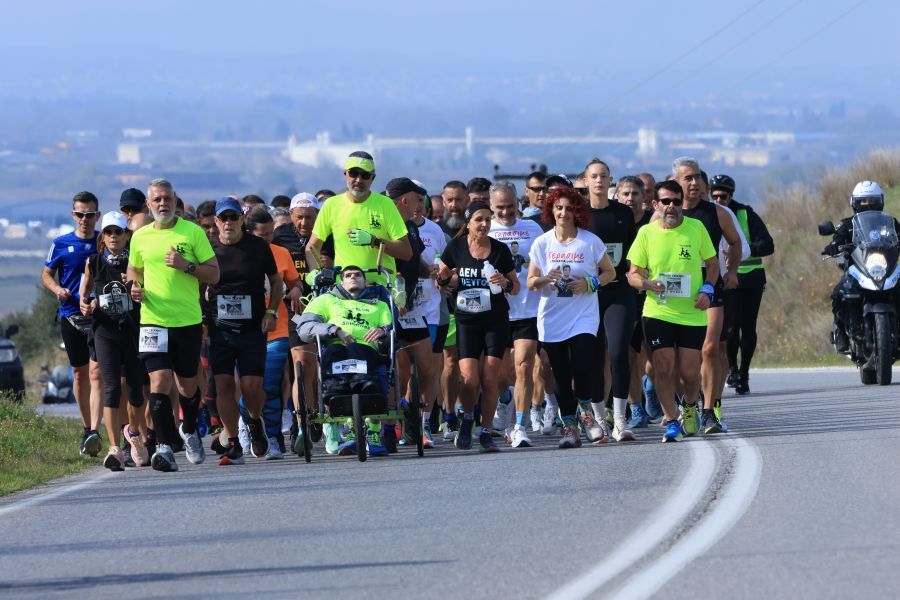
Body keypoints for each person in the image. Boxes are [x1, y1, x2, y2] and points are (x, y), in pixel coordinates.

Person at [127, 178, 220, 472]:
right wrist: (134, 286)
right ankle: (164, 447)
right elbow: (133, 269)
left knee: (187, 386)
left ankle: (189, 427)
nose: (162, 204)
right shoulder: (140, 237)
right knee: (159, 382)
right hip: (152, 321)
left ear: (175, 200)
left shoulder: (192, 232)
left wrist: (187, 266)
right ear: (149, 204)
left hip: (187, 322)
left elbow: (214, 274)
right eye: (157, 200)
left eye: (167, 198)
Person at [627, 180, 721, 442]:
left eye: (676, 202)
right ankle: (670, 419)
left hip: (692, 311)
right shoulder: (646, 233)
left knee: (690, 373)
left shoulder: (696, 228)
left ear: (682, 204)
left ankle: (690, 405)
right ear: (655, 204)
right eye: (665, 201)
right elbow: (632, 275)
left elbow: (713, 264)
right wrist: (646, 284)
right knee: (663, 366)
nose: (671, 207)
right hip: (658, 311)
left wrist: (708, 290)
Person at [528, 186, 615, 448]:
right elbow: (532, 282)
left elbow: (610, 273)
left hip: (584, 316)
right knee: (561, 375)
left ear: (576, 211)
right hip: (552, 317)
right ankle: (569, 427)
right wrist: (546, 278)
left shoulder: (590, 241)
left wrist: (590, 283)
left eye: (568, 208)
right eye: (558, 208)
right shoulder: (542, 243)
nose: (563, 213)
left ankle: (586, 415)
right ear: (551, 211)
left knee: (582, 365)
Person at [437, 202, 519, 452]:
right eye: (479, 220)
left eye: (488, 219)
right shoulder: (456, 247)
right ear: (468, 222)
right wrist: (445, 280)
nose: (484, 224)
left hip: (495, 319)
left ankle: (485, 430)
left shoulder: (500, 250)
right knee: (470, 379)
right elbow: (442, 280)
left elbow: (516, 288)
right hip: (466, 320)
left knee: (490, 378)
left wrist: (504, 281)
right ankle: (467, 419)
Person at [206, 198, 283, 466]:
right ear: (216, 221)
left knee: (252, 387)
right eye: (223, 218)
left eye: (233, 217)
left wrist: (271, 312)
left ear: (241, 220)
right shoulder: (207, 248)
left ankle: (253, 419)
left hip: (252, 327)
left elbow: (275, 281)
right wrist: (202, 319)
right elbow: (196, 283)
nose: (228, 222)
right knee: (224, 384)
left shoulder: (258, 247)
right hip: (220, 327)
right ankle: (234, 443)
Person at [672, 157, 742, 435]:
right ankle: (686, 405)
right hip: (677, 290)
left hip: (710, 283)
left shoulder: (717, 212)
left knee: (711, 348)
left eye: (697, 177)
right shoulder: (666, 214)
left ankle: (710, 410)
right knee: (678, 357)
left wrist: (732, 271)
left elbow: (735, 241)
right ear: (676, 182)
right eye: (687, 178)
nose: (693, 182)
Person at [296, 265, 393, 457]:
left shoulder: (380, 304)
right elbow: (304, 328)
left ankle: (369, 421)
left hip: (367, 349)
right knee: (336, 350)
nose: (353, 277)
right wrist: (335, 330)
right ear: (342, 281)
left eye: (358, 274)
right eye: (348, 275)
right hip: (335, 346)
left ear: (366, 282)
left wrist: (382, 332)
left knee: (356, 348)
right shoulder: (326, 300)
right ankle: (338, 398)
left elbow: (391, 331)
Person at [79, 211, 149, 470]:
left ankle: (135, 435)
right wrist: (85, 305)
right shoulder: (94, 262)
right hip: (104, 331)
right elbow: (83, 293)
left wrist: (137, 287)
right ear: (103, 236)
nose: (112, 237)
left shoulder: (136, 262)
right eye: (108, 232)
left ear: (126, 235)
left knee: (136, 389)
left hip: (133, 329)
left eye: (117, 232)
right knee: (111, 387)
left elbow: (150, 290)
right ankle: (114, 446)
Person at [42, 191, 102, 456]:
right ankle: (88, 429)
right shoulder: (61, 243)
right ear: (73, 215)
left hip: (102, 316)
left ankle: (111, 428)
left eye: (90, 215)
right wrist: (57, 288)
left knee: (99, 373)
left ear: (97, 216)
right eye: (80, 214)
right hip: (70, 315)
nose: (85, 220)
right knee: (80, 373)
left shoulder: (105, 240)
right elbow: (46, 273)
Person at [583, 158, 639, 443]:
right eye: (594, 176)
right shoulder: (579, 214)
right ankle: (598, 418)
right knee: (593, 357)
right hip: (587, 295)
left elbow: (630, 252)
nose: (599, 181)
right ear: (586, 180)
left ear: (610, 180)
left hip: (618, 290)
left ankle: (620, 418)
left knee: (618, 352)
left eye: (604, 176)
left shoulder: (623, 213)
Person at [488, 181, 545, 448]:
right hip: (495, 313)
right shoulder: (483, 228)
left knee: (523, 367)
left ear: (518, 204)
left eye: (511, 206)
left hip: (527, 310)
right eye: (500, 208)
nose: (506, 212)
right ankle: (505, 399)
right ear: (491, 207)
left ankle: (520, 426)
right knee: (500, 375)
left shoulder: (532, 229)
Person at [385, 177, 440, 449]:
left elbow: (413, 259)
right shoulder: (384, 221)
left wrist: (428, 269)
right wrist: (395, 295)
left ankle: (413, 413)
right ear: (404, 200)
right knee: (398, 369)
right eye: (418, 200)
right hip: (389, 304)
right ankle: (390, 425)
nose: (421, 206)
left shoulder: (410, 226)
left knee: (429, 367)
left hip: (412, 306)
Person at [305, 151, 412, 285]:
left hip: (379, 289)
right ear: (345, 175)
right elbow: (312, 247)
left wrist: (374, 241)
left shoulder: (386, 204)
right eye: (353, 173)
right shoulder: (331, 205)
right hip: (343, 289)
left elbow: (406, 252)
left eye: (365, 175)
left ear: (373, 178)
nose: (358, 180)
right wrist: (315, 272)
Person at [710, 175, 774, 396]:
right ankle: (733, 371)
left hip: (751, 280)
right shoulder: (709, 214)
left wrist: (742, 252)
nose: (719, 200)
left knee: (748, 327)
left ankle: (744, 372)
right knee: (730, 328)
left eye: (723, 196)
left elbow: (767, 244)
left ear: (731, 196)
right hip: (726, 279)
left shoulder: (746, 214)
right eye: (714, 196)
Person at [245, 206, 299, 458]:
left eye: (270, 233)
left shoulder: (281, 253)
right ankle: (251, 428)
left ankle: (275, 437)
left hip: (277, 328)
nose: (268, 239)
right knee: (249, 386)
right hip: (245, 331)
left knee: (270, 384)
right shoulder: (239, 254)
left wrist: (297, 289)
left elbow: (294, 282)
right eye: (262, 235)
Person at [823, 181, 899, 354]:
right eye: (863, 201)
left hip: (886, 267)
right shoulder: (848, 225)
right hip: (858, 269)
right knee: (839, 293)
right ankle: (841, 334)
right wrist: (833, 245)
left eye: (872, 201)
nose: (868, 204)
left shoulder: (890, 223)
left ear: (880, 201)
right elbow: (837, 238)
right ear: (855, 203)